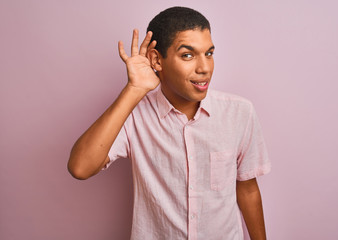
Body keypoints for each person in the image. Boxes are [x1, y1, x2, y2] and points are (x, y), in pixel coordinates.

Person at [68, 6, 271, 240]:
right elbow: (80, 168)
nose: (204, 68)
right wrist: (134, 90)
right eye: (188, 55)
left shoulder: (239, 112)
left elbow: (247, 189)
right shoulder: (135, 114)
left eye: (209, 53)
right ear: (157, 60)